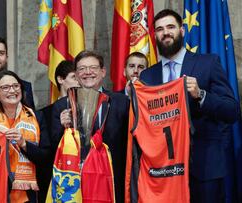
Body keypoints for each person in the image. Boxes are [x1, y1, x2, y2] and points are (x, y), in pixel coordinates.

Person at [139, 9, 240, 203]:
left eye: (170, 27)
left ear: (182, 30)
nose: (165, 33)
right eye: (159, 29)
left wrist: (201, 95)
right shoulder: (147, 76)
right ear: (155, 35)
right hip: (163, 171)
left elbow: (232, 110)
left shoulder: (208, 63)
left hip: (203, 167)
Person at [51, 50, 129, 202]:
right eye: (81, 69)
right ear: (76, 74)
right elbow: (51, 150)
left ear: (103, 72)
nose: (87, 72)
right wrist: (62, 128)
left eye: (93, 68)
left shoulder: (122, 102)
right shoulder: (61, 105)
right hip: (74, 186)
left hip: (111, 182)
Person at [0, 70, 50, 203]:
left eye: (16, 86)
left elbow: (46, 157)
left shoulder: (36, 117)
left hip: (28, 193)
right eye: (5, 87)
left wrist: (23, 143)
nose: (12, 90)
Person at [37, 60, 79, 202]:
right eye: (74, 77)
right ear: (60, 79)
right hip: (55, 180)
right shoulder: (43, 114)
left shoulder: (87, 108)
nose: (79, 82)